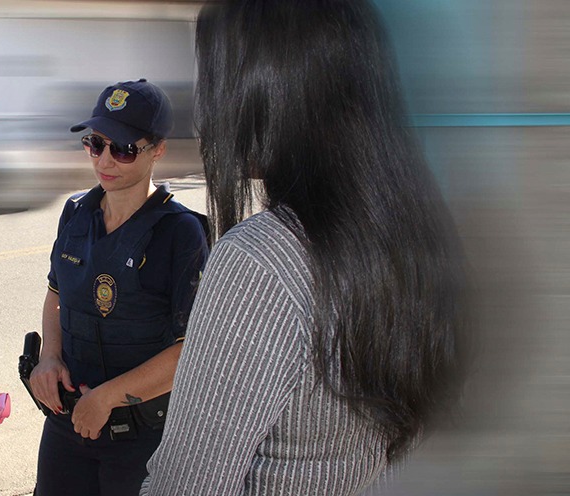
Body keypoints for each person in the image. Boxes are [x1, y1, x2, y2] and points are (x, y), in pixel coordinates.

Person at [141, 1, 469, 495]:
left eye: (210, 72)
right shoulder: (412, 230)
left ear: (266, 90)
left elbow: (185, 486)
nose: (203, 103)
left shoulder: (262, 259)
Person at [28, 79, 210, 496]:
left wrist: (107, 398)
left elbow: (191, 350)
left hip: (140, 438)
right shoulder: (76, 213)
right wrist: (48, 358)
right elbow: (57, 294)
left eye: (124, 148)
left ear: (157, 150)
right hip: (66, 424)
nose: (105, 160)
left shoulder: (180, 233)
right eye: (96, 144)